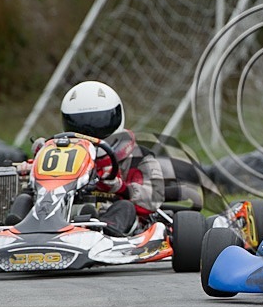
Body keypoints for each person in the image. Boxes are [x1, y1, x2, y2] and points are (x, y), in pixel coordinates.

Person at [9, 81, 164, 235]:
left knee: (125, 206)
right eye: (79, 123)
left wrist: (120, 187)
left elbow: (153, 200)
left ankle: (102, 231)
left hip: (109, 219)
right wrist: (30, 170)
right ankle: (15, 228)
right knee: (24, 198)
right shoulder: (63, 153)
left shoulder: (138, 158)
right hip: (60, 213)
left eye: (98, 122)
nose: (89, 131)